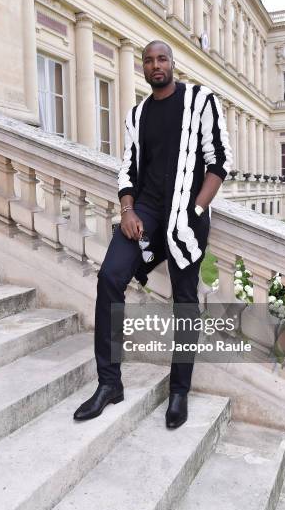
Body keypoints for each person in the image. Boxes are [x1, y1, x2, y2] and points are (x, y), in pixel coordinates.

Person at [73, 40, 233, 428]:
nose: (155, 65)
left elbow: (220, 162)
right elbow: (128, 171)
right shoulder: (137, 114)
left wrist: (196, 209)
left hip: (185, 214)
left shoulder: (200, 100)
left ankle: (179, 391)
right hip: (144, 211)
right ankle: (109, 384)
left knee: (185, 301)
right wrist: (127, 210)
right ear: (143, 69)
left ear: (172, 63)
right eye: (148, 60)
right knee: (110, 276)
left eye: (162, 59)